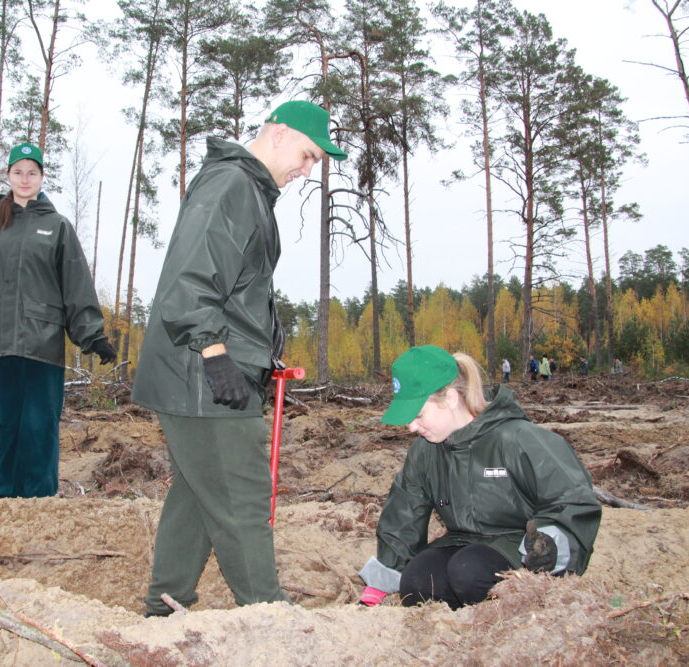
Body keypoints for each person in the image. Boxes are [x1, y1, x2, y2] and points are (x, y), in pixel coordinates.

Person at [132, 100, 347, 616]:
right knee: (243, 496)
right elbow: (191, 276)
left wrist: (254, 354)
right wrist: (215, 353)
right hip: (200, 373)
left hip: (203, 369)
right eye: (307, 154)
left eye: (315, 161)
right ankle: (268, 616)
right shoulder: (231, 185)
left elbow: (236, 288)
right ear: (278, 133)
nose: (307, 168)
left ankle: (166, 604)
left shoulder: (248, 190)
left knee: (198, 493)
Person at [0, 142, 116, 499]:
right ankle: (7, 498)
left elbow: (75, 285)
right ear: (8, 176)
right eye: (18, 172)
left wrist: (93, 336)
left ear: (42, 177)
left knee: (40, 424)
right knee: (8, 424)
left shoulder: (57, 226)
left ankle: (40, 500)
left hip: (41, 343)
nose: (25, 178)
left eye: (32, 172)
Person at [357, 345, 601, 610]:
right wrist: (382, 580)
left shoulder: (518, 439)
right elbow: (404, 514)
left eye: (418, 415)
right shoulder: (425, 451)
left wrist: (549, 544)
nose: (412, 427)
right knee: (416, 583)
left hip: (518, 544)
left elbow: (574, 500)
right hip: (462, 542)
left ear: (450, 398)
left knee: (469, 572)